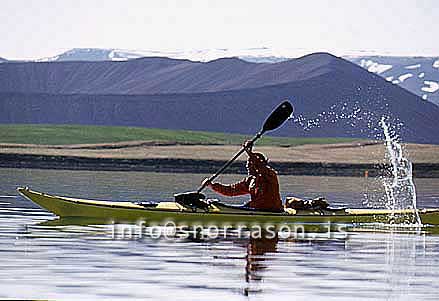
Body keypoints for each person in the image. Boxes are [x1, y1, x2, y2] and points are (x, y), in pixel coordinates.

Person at [202, 140, 283, 212]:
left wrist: (249, 152)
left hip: (272, 210)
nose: (248, 167)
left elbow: (259, 164)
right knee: (245, 206)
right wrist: (212, 185)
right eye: (247, 164)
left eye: (250, 164)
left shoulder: (270, 175)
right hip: (255, 208)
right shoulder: (249, 181)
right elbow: (231, 190)